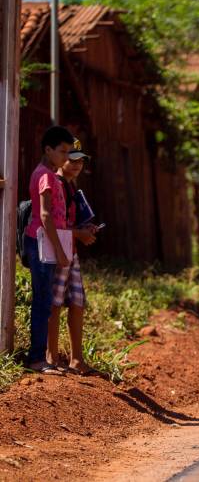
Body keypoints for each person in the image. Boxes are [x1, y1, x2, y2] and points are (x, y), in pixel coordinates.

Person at [23, 126, 74, 374]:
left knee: (44, 301)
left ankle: (41, 357)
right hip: (41, 243)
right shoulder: (45, 176)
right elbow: (45, 215)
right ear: (48, 150)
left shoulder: (50, 174)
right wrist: (61, 252)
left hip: (44, 243)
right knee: (43, 301)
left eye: (69, 152)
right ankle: (36, 359)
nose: (67, 157)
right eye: (63, 151)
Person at [46, 141, 98, 375]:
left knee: (77, 303)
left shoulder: (70, 186)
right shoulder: (54, 185)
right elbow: (53, 226)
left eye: (80, 160)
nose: (77, 164)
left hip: (72, 253)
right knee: (54, 304)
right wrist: (79, 233)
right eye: (72, 159)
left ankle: (77, 360)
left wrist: (85, 229)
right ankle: (52, 358)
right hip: (58, 253)